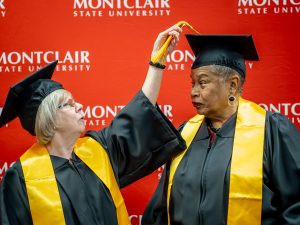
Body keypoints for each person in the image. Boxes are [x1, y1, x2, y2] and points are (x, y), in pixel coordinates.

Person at [0, 25, 186, 225]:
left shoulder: (98, 150)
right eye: (69, 104)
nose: (80, 106)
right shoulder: (21, 178)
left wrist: (156, 64)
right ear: (50, 119)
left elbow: (139, 114)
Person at [142, 34, 300, 225]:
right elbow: (160, 211)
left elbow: (295, 209)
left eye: (202, 82)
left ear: (232, 85)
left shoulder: (272, 131)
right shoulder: (185, 135)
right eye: (192, 83)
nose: (193, 91)